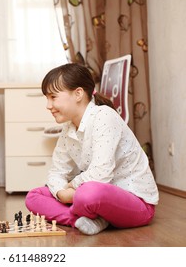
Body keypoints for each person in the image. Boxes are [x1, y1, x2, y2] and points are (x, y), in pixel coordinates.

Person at [25, 63, 159, 235]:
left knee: (87, 193)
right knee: (34, 196)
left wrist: (70, 189)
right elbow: (57, 171)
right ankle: (84, 221)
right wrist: (60, 192)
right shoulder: (68, 129)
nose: (48, 105)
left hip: (137, 203)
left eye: (53, 97)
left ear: (78, 94)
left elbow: (101, 173)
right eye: (47, 98)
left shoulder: (104, 116)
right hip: (91, 196)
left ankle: (91, 216)